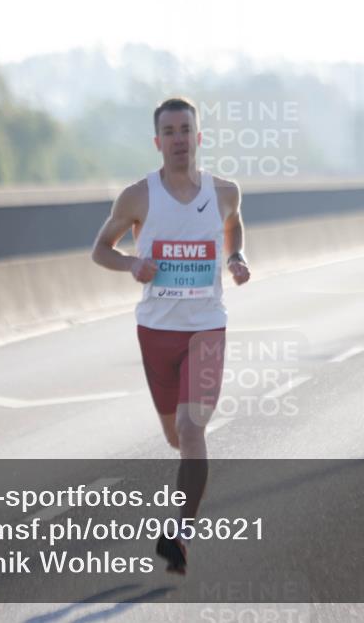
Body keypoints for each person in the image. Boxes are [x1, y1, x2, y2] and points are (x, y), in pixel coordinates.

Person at [91, 96, 251, 575]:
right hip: (156, 331)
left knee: (190, 428)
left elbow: (233, 224)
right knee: (173, 436)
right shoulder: (138, 197)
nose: (179, 139)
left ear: (198, 138)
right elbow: (100, 249)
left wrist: (235, 256)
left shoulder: (225, 191)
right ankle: (186, 498)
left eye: (187, 130)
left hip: (206, 328)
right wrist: (131, 263)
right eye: (171, 132)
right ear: (158, 141)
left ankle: (181, 534)